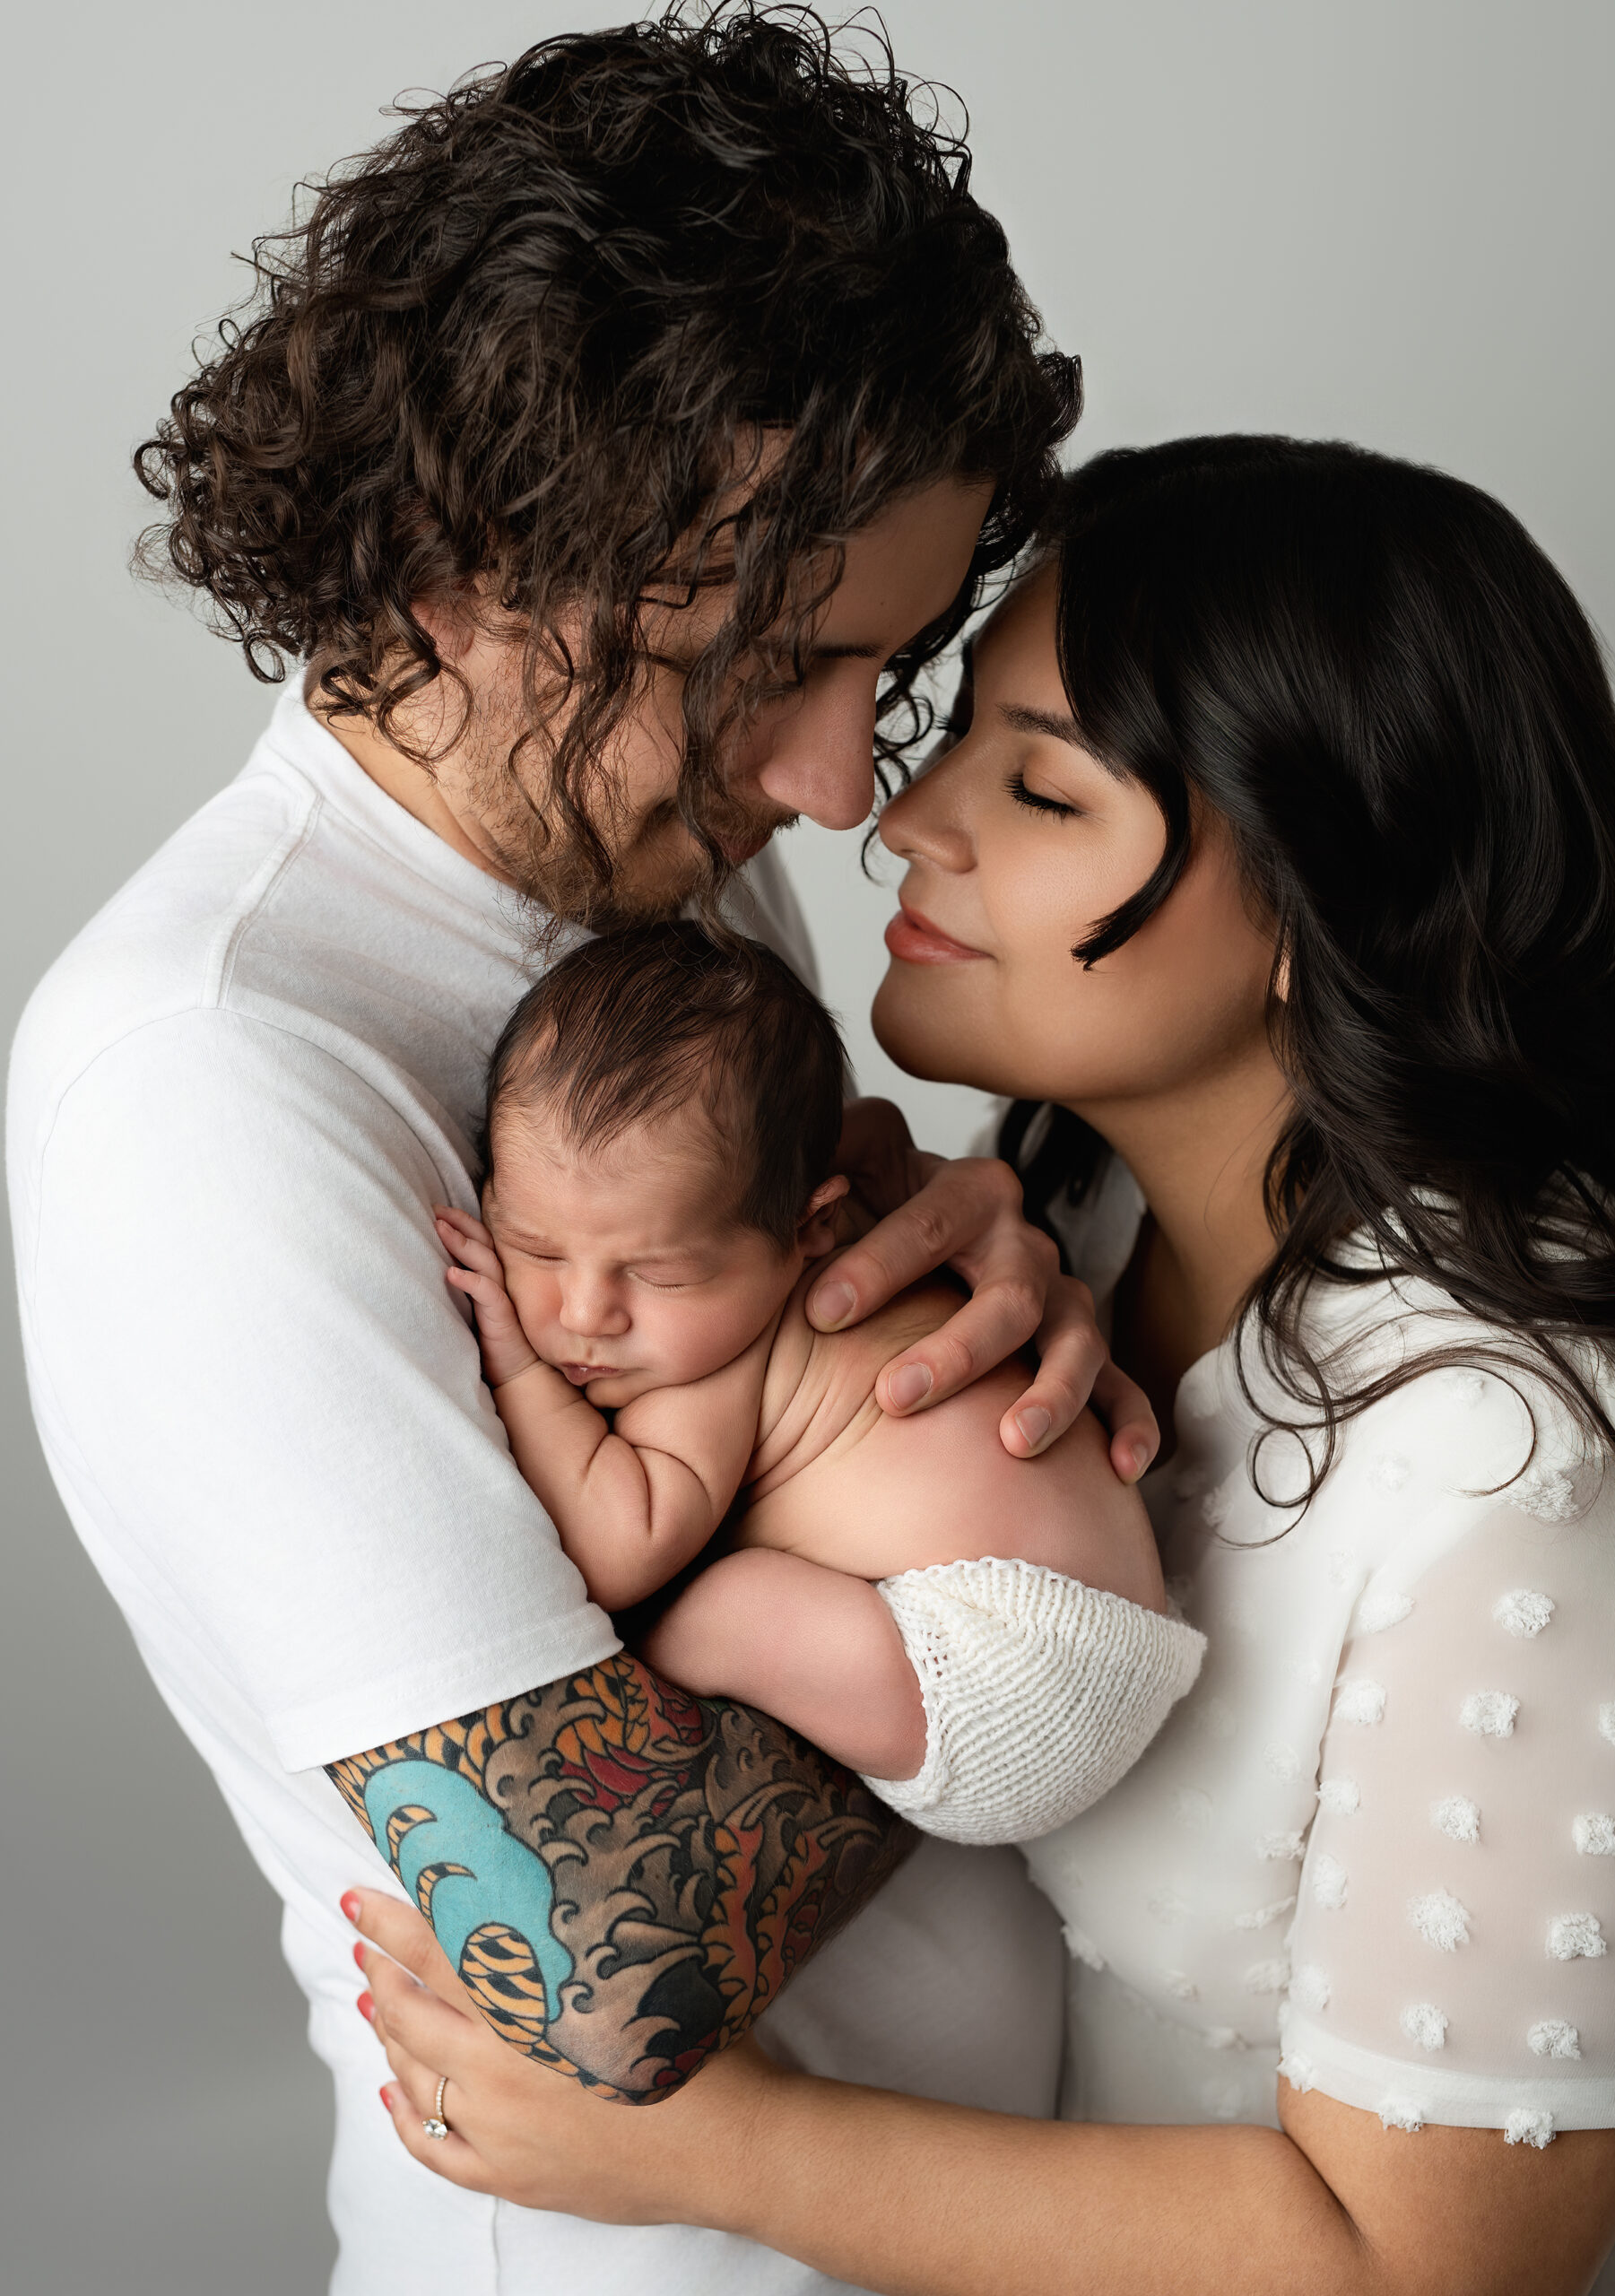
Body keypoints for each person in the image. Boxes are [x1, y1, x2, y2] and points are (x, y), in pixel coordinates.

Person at [5, 16, 1158, 2292]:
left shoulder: (651, 851)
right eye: (778, 665)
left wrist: (971, 1302)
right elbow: (592, 1953)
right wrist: (1043, 1646)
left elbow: (782, 1431)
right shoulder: (207, 1073)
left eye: (886, 667)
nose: (843, 786)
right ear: (464, 558)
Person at [352, 437, 1615, 2296]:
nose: (899, 822)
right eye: (957, 730)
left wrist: (717, 2143)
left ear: (1323, 903)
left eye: (1043, 786)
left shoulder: (1533, 1465)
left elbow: (1429, 2268)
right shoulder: (1068, 1237)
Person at [435, 923, 1199, 1862]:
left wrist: (517, 1368)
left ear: (811, 1231)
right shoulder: (820, 1225)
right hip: (1122, 1623)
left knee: (709, 1601)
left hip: (998, 1680)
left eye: (660, 1274)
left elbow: (617, 1547)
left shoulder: (712, 1362)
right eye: (536, 1248)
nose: (585, 1312)